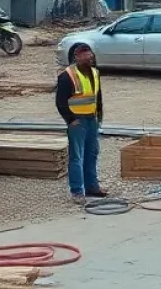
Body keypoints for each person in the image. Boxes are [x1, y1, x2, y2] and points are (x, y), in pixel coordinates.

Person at [56, 44, 106, 203]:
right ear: (76, 57)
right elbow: (60, 101)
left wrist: (99, 115)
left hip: (91, 119)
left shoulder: (95, 73)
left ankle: (92, 186)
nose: (88, 58)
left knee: (92, 153)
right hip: (77, 121)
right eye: (84, 55)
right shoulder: (68, 76)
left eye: (89, 55)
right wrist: (71, 120)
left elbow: (97, 96)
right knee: (77, 156)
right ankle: (77, 191)